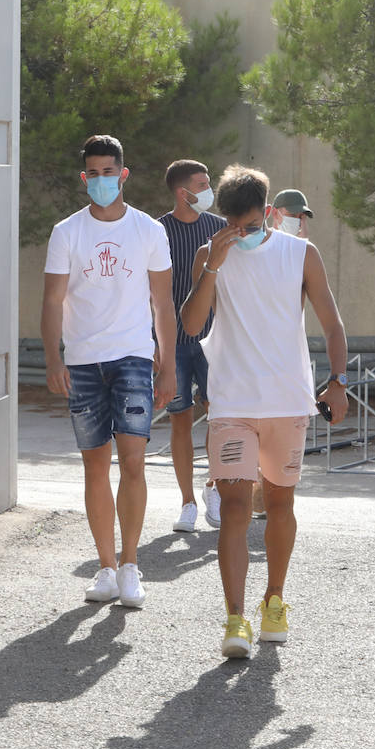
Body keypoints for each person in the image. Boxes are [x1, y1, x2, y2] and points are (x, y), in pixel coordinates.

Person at [180, 165, 349, 660]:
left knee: (279, 505)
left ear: (270, 214)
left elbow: (332, 323)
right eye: (235, 225)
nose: (245, 234)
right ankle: (235, 620)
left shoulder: (301, 253)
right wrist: (213, 264)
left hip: (287, 403)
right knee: (234, 508)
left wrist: (338, 382)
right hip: (231, 403)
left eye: (253, 225)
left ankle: (274, 601)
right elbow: (192, 325)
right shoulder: (212, 253)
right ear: (224, 219)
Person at [41, 135, 177, 608]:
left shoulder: (147, 231)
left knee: (133, 462)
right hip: (82, 362)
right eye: (92, 173)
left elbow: (163, 303)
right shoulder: (67, 232)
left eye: (108, 171)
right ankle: (105, 568)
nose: (101, 180)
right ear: (85, 178)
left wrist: (169, 366)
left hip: (135, 359)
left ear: (123, 174)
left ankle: (132, 566)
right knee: (94, 465)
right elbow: (53, 300)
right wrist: (54, 358)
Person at [158, 160, 227, 533]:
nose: (208, 189)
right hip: (172, 344)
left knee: (218, 416)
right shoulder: (157, 231)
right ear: (183, 192)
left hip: (214, 342)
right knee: (180, 419)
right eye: (202, 184)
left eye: (209, 182)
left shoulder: (219, 229)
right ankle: (187, 502)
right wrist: (157, 346)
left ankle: (212, 488)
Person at [253, 186, 315, 519]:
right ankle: (228, 490)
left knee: (278, 434)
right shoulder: (254, 250)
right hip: (251, 356)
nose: (298, 221)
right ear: (274, 213)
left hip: (286, 357)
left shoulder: (300, 253)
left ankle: (267, 494)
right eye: (293, 214)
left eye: (302, 215)